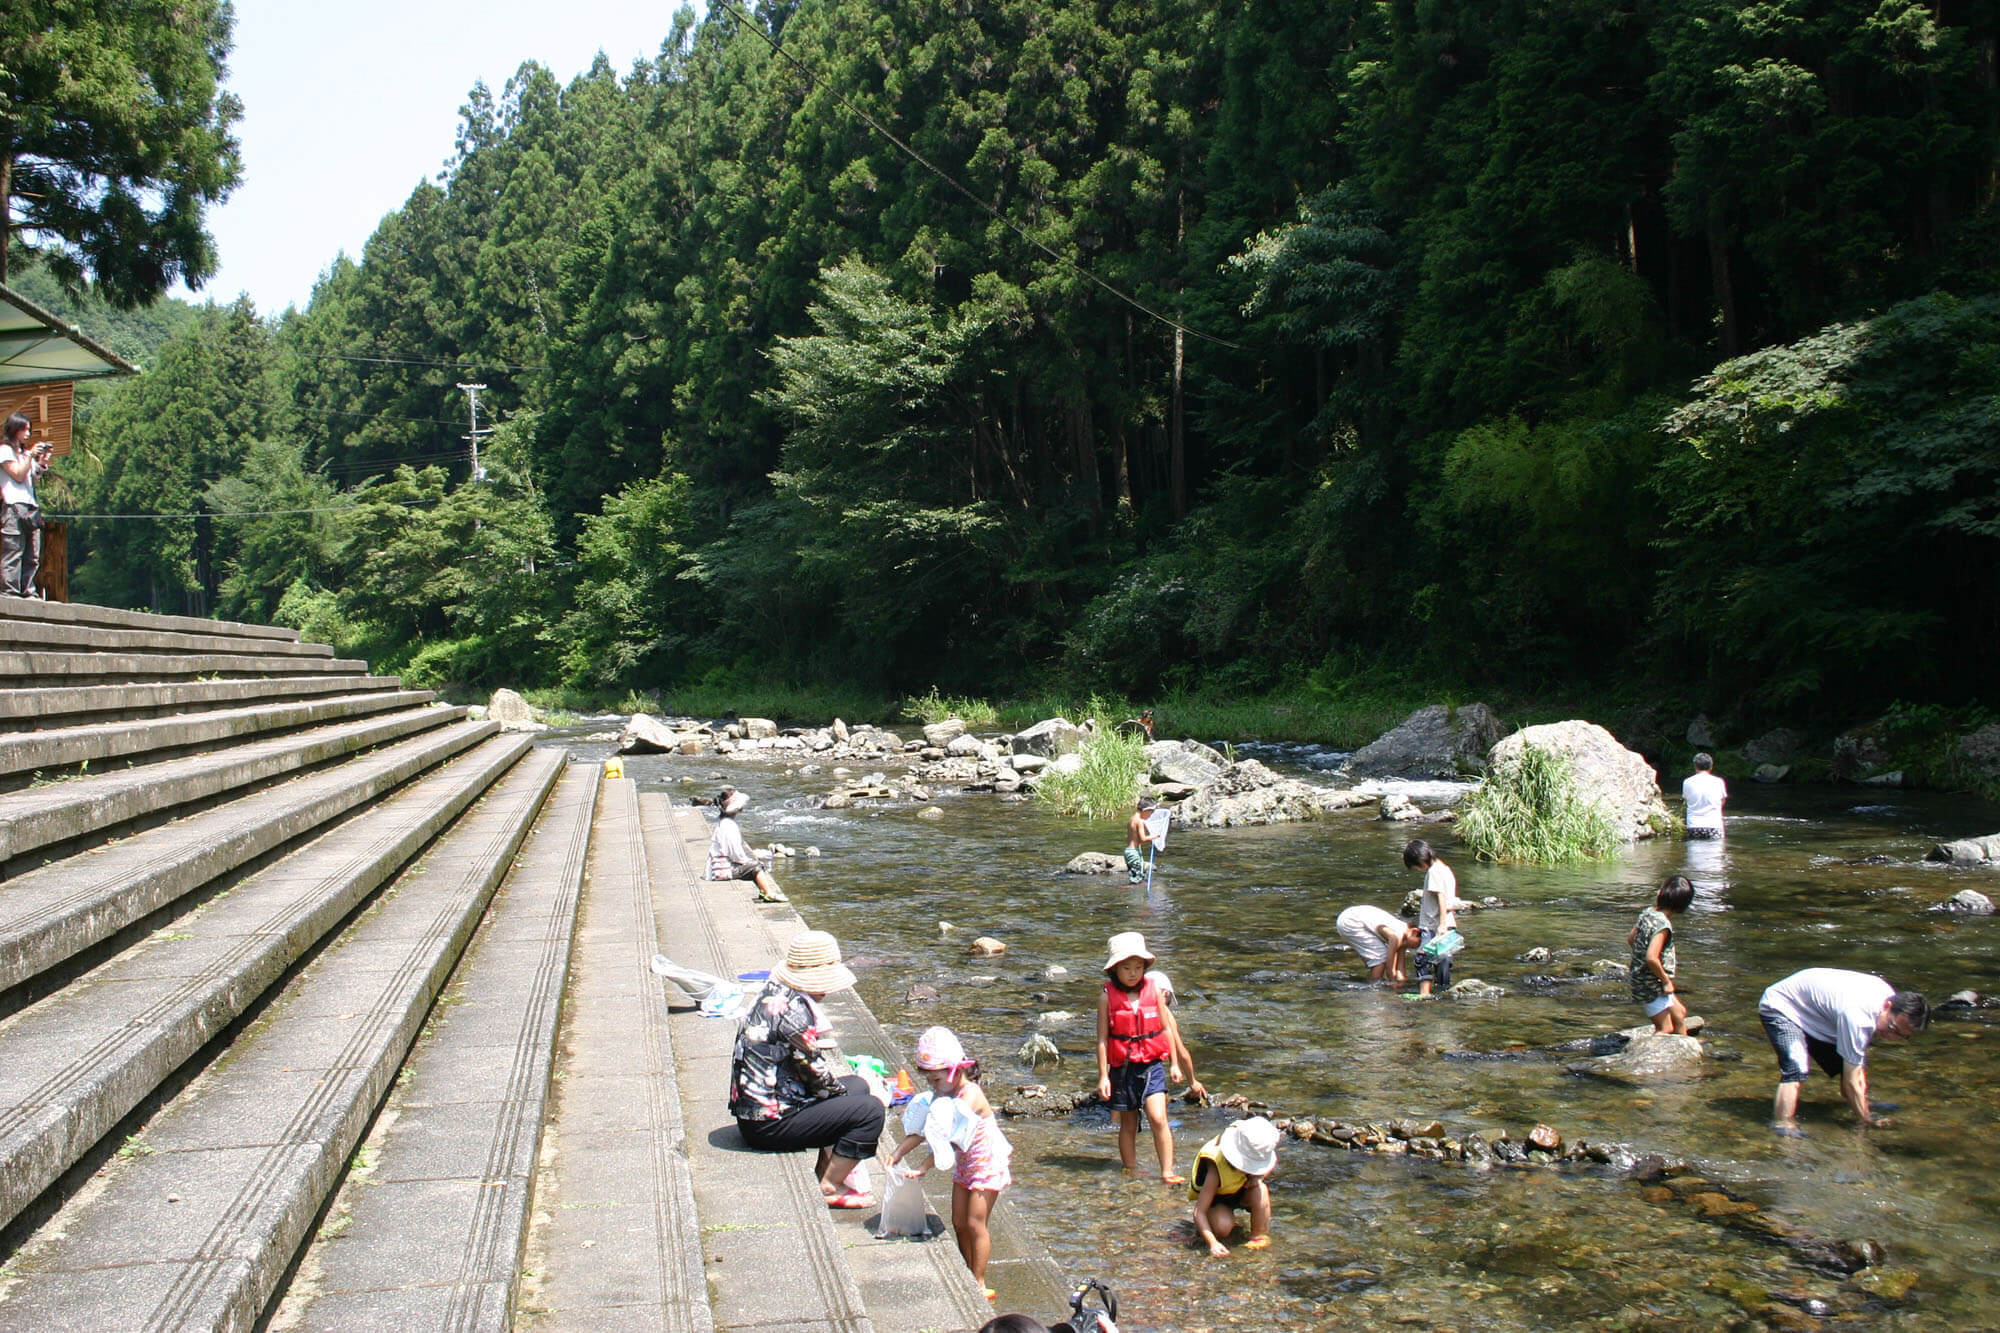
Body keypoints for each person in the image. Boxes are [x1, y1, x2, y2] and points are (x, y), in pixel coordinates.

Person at [729, 930, 889, 1206]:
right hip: (769, 1125)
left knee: (858, 1086)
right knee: (870, 1110)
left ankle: (824, 1169)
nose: (826, 990)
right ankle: (830, 1185)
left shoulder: (771, 993)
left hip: (759, 1110)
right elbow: (819, 1081)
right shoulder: (795, 1015)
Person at [889, 1026, 1012, 1300]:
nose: (933, 1085)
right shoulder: (944, 1094)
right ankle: (967, 1269)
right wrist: (899, 1151)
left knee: (975, 1223)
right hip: (965, 1166)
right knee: (958, 1220)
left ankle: (979, 1282)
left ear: (955, 1071)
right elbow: (924, 1127)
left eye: (936, 1080)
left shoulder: (971, 1095)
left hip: (986, 1165)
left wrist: (923, 1166)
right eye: (930, 1080)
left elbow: (953, 1139)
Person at [1757, 967, 1928, 1133]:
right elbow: (1851, 1082)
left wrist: (1859, 1099)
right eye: (1892, 1027)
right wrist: (1867, 1122)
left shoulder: (1887, 1001)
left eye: (1901, 1035)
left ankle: (1859, 1103)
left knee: (1850, 1063)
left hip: (1818, 1015)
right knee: (1797, 1067)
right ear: (1887, 1006)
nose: (1891, 1036)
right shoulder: (1859, 1017)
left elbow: (1855, 1065)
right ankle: (1783, 1124)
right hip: (1782, 1006)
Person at [1096, 932, 1185, 1183]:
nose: (1133, 973)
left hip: (1152, 1065)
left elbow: (1166, 1029)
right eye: (1126, 968)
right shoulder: (1106, 998)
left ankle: (1167, 1170)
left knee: (1159, 1117)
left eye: (1138, 967)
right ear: (1114, 969)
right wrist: (1103, 1076)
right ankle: (1131, 1168)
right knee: (1128, 1122)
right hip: (1122, 1068)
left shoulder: (1154, 992)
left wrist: (1175, 1064)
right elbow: (1103, 1039)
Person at [1188, 1115, 1280, 1257]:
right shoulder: (1215, 1166)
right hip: (1217, 1199)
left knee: (1260, 1190)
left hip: (1240, 1191)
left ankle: (1258, 1236)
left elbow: (1267, 1166)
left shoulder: (1256, 1146)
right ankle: (1211, 1224)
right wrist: (1212, 1243)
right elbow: (1198, 1212)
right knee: (1222, 1227)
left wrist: (1257, 1178)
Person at [1628, 876, 1695, 1034]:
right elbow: (1651, 957)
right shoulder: (1663, 926)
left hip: (1645, 978)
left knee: (1680, 1014)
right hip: (1651, 985)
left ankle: (1684, 1047)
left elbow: (1631, 939)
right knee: (1665, 1028)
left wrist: (1639, 959)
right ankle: (1657, 1055)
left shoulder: (1648, 913)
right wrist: (1665, 981)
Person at [0, 413, 52, 598]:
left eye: (29, 429)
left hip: (31, 506)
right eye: (24, 429)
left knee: (33, 553)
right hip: (13, 506)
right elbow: (18, 475)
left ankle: (29, 590)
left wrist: (41, 463)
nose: (28, 434)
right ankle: (10, 591)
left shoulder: (23, 454)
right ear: (14, 429)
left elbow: (31, 481)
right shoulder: (5, 450)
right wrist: (29, 455)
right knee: (13, 550)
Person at [1403, 839, 1461, 997]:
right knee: (1443, 962)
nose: (1417, 868)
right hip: (1449, 923)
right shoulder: (1446, 869)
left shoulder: (1433, 871)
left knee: (1422, 961)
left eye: (1415, 865)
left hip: (1434, 926)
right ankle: (1443, 993)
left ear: (1420, 859)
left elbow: (1441, 897)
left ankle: (1424, 995)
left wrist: (1441, 925)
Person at [708, 789, 787, 902]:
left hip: (718, 865)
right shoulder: (728, 826)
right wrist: (746, 860)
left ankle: (763, 891)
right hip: (722, 869)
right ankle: (768, 893)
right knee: (755, 867)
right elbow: (735, 853)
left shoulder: (724, 822)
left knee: (754, 863)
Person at [1145, 968, 1207, 1100]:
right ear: (1166, 993)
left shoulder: (1131, 1005)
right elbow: (1180, 1051)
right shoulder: (1165, 1013)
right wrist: (1192, 1081)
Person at [1335, 904, 1422, 982]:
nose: (1418, 947)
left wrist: (1402, 980)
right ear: (1414, 932)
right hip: (1351, 922)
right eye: (1420, 943)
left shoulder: (1403, 937)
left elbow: (1400, 968)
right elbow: (1390, 969)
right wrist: (1393, 982)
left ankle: (1374, 981)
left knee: (1380, 955)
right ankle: (1375, 986)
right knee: (1380, 956)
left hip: (1349, 917)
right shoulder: (1396, 936)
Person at [1682, 753, 1727, 840]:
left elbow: (1686, 800)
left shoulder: (1687, 782)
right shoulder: (1719, 782)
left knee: (1695, 852)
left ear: (1695, 766)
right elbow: (1722, 801)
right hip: (1714, 826)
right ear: (1711, 767)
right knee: (1715, 852)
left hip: (1693, 826)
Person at [1123, 798, 1163, 886]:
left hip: (1130, 851)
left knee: (1138, 877)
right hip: (1134, 852)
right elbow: (1143, 839)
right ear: (1146, 810)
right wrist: (1155, 836)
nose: (1150, 815)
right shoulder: (1139, 821)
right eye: (1150, 812)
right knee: (1136, 881)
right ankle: (1121, 890)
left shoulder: (1132, 819)